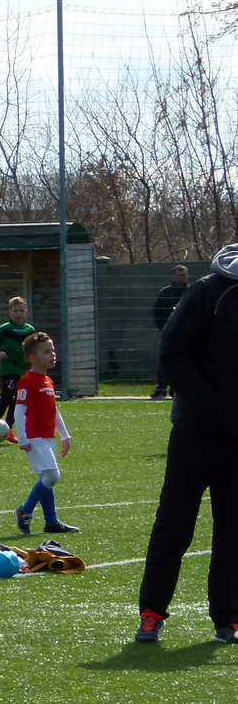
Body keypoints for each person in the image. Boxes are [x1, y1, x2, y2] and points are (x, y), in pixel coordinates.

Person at [135, 244, 238, 644]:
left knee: (232, 531)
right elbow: (173, 351)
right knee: (173, 525)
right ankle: (151, 612)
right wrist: (208, 403)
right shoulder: (207, 291)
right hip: (196, 431)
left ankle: (228, 618)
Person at [13, 331, 78, 537]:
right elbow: (19, 411)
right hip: (35, 437)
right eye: (46, 351)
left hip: (47, 437)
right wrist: (22, 438)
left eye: (53, 350)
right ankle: (24, 511)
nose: (52, 354)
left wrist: (65, 435)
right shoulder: (27, 381)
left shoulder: (47, 380)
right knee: (52, 476)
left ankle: (51, 522)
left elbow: (53, 410)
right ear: (33, 358)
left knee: (45, 478)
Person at [0, 297, 36, 443]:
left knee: (14, 400)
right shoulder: (4, 328)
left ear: (26, 312)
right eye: (15, 311)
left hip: (21, 369)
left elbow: (33, 347)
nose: (19, 313)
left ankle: (6, 429)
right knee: (9, 399)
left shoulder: (29, 330)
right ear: (9, 312)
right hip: (8, 368)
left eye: (21, 310)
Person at [151, 263, 191, 399]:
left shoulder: (192, 292)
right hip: (169, 333)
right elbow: (157, 312)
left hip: (189, 334)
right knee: (165, 360)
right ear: (173, 276)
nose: (181, 278)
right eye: (178, 275)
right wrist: (162, 327)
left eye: (183, 275)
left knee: (186, 361)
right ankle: (161, 387)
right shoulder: (165, 293)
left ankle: (178, 388)